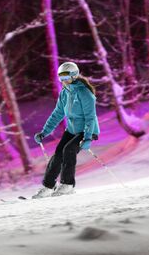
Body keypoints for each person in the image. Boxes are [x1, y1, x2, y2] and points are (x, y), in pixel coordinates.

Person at [32, 61, 100, 198]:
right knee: (57, 155)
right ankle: (48, 186)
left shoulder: (84, 93)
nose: (63, 81)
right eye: (61, 78)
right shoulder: (65, 93)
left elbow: (90, 117)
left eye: (66, 77)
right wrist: (44, 132)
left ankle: (67, 184)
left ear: (74, 76)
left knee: (68, 150)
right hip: (71, 130)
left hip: (87, 130)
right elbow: (57, 114)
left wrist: (87, 137)